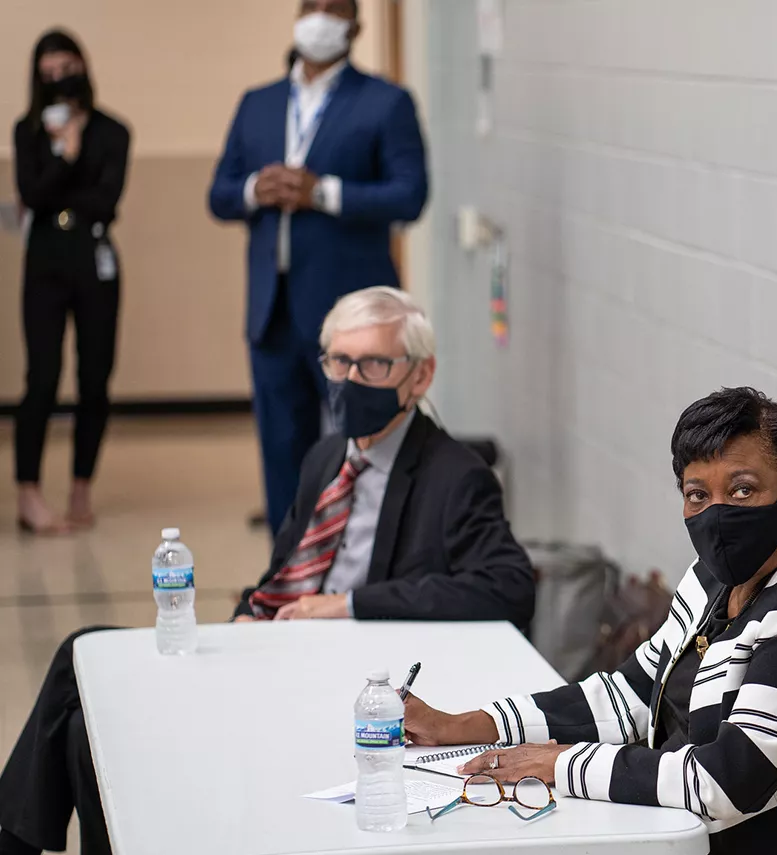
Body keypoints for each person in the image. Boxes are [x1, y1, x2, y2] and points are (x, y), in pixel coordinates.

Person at [0, 287, 534, 855]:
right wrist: (246, 617)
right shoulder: (325, 458)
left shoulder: (457, 474)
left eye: (373, 364)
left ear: (419, 376)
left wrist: (348, 604)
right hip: (278, 649)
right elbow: (284, 574)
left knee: (86, 685)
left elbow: (508, 587)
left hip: (345, 679)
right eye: (338, 361)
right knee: (85, 701)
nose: (350, 380)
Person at [405, 388, 777, 855]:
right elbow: (631, 694)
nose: (716, 515)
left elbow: (727, 783)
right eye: (697, 494)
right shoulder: (716, 577)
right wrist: (468, 725)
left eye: (742, 491)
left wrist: (559, 764)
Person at [208, 0, 429, 534]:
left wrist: (324, 193)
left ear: (356, 27)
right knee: (282, 456)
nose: (320, 17)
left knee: (366, 450)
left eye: (334, 8)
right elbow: (219, 194)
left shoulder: (385, 102)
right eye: (311, 5)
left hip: (351, 318)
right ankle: (288, 578)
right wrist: (254, 189)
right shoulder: (257, 104)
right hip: (273, 313)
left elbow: (410, 196)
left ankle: (366, 572)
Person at [11, 30, 130, 535]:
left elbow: (107, 202)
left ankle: (82, 486)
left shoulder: (113, 131)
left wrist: (68, 173)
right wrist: (64, 156)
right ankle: (29, 494)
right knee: (41, 377)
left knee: (95, 377)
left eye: (68, 67)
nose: (61, 79)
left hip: (95, 259)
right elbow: (31, 195)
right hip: (44, 262)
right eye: (50, 72)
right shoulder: (29, 131)